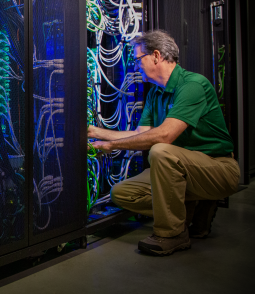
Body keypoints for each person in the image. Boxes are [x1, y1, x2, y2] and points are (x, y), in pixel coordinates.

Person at [88, 30, 240, 256]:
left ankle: (172, 234)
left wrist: (111, 146)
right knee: (122, 194)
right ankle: (193, 206)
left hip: (217, 167)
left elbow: (164, 136)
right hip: (181, 170)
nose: (136, 67)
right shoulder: (155, 94)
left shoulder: (193, 85)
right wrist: (93, 132)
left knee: (160, 152)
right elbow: (139, 134)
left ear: (156, 56)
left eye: (139, 59)